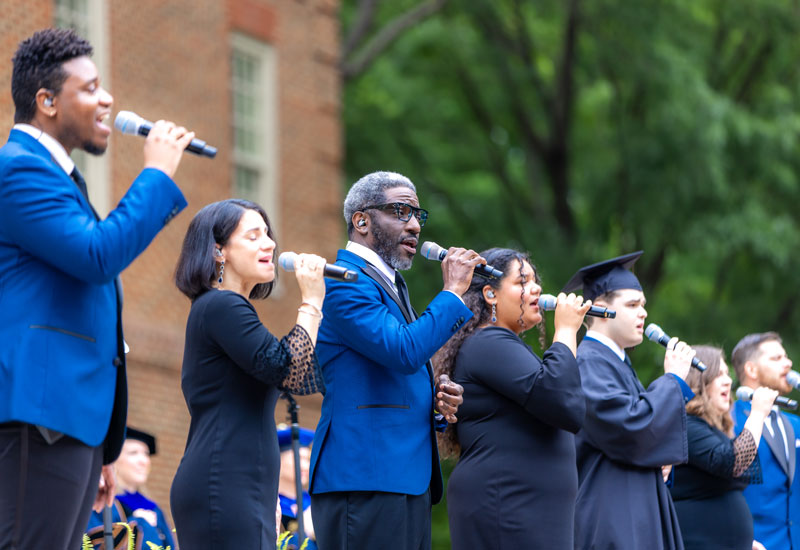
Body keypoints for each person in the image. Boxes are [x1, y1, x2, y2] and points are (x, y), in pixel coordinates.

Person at [0, 28, 194, 550]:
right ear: (47, 102)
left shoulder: (56, 178)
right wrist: (156, 174)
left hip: (70, 424)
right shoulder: (19, 169)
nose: (107, 98)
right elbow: (97, 255)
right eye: (89, 88)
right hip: (39, 414)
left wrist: (100, 448)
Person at [308, 171, 483, 550]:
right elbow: (403, 351)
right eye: (401, 211)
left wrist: (434, 399)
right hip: (365, 479)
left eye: (418, 214)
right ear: (362, 221)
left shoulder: (389, 282)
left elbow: (396, 368)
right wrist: (454, 290)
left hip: (404, 478)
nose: (415, 225)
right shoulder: (345, 282)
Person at [170, 199, 327, 550]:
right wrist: (311, 302)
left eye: (268, 234)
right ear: (219, 251)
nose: (269, 244)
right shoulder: (221, 305)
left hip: (239, 485)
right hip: (223, 482)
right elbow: (288, 369)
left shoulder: (225, 309)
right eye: (253, 236)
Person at [434, 248, 590, 549]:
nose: (536, 288)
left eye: (535, 281)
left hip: (526, 508)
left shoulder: (502, 344)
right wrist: (566, 330)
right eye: (522, 282)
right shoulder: (488, 343)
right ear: (491, 294)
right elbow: (563, 402)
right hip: (506, 505)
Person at [565, 251, 697, 550]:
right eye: (633, 305)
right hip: (611, 515)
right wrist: (673, 380)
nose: (643, 313)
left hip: (632, 508)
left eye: (643, 305)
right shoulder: (589, 361)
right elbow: (630, 426)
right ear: (601, 309)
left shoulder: (614, 362)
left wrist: (661, 455)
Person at [669, 346, 777, 550]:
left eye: (728, 374)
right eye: (719, 374)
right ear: (698, 381)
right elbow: (732, 462)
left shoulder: (711, 430)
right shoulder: (686, 425)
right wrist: (757, 414)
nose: (728, 381)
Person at [732, 332, 800, 550]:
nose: (788, 363)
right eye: (776, 358)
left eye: (786, 357)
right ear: (751, 369)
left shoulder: (796, 424)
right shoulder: (729, 421)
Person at [86, 428, 176, 549]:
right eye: (133, 453)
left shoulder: (154, 509)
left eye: (146, 454)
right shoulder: (101, 503)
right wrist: (137, 523)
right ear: (114, 460)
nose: (144, 461)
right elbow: (89, 543)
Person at [277, 426, 317, 549]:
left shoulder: (315, 503)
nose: (305, 466)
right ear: (278, 460)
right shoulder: (270, 503)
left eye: (307, 459)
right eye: (298, 458)